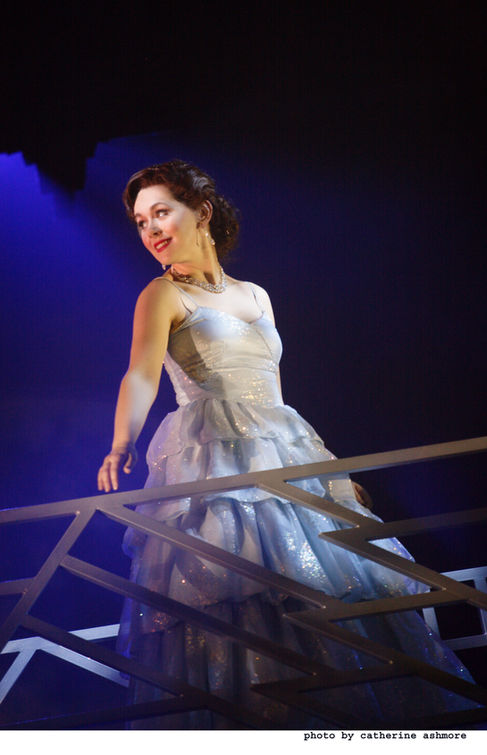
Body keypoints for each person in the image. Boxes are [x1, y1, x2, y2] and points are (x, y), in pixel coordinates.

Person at [97, 160, 477, 729]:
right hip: (216, 458)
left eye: (161, 212)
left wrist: (329, 474)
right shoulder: (161, 294)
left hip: (282, 454)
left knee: (330, 585)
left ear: (201, 212)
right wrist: (120, 443)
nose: (150, 229)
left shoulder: (256, 295)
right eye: (140, 221)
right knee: (238, 592)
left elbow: (277, 400)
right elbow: (140, 374)